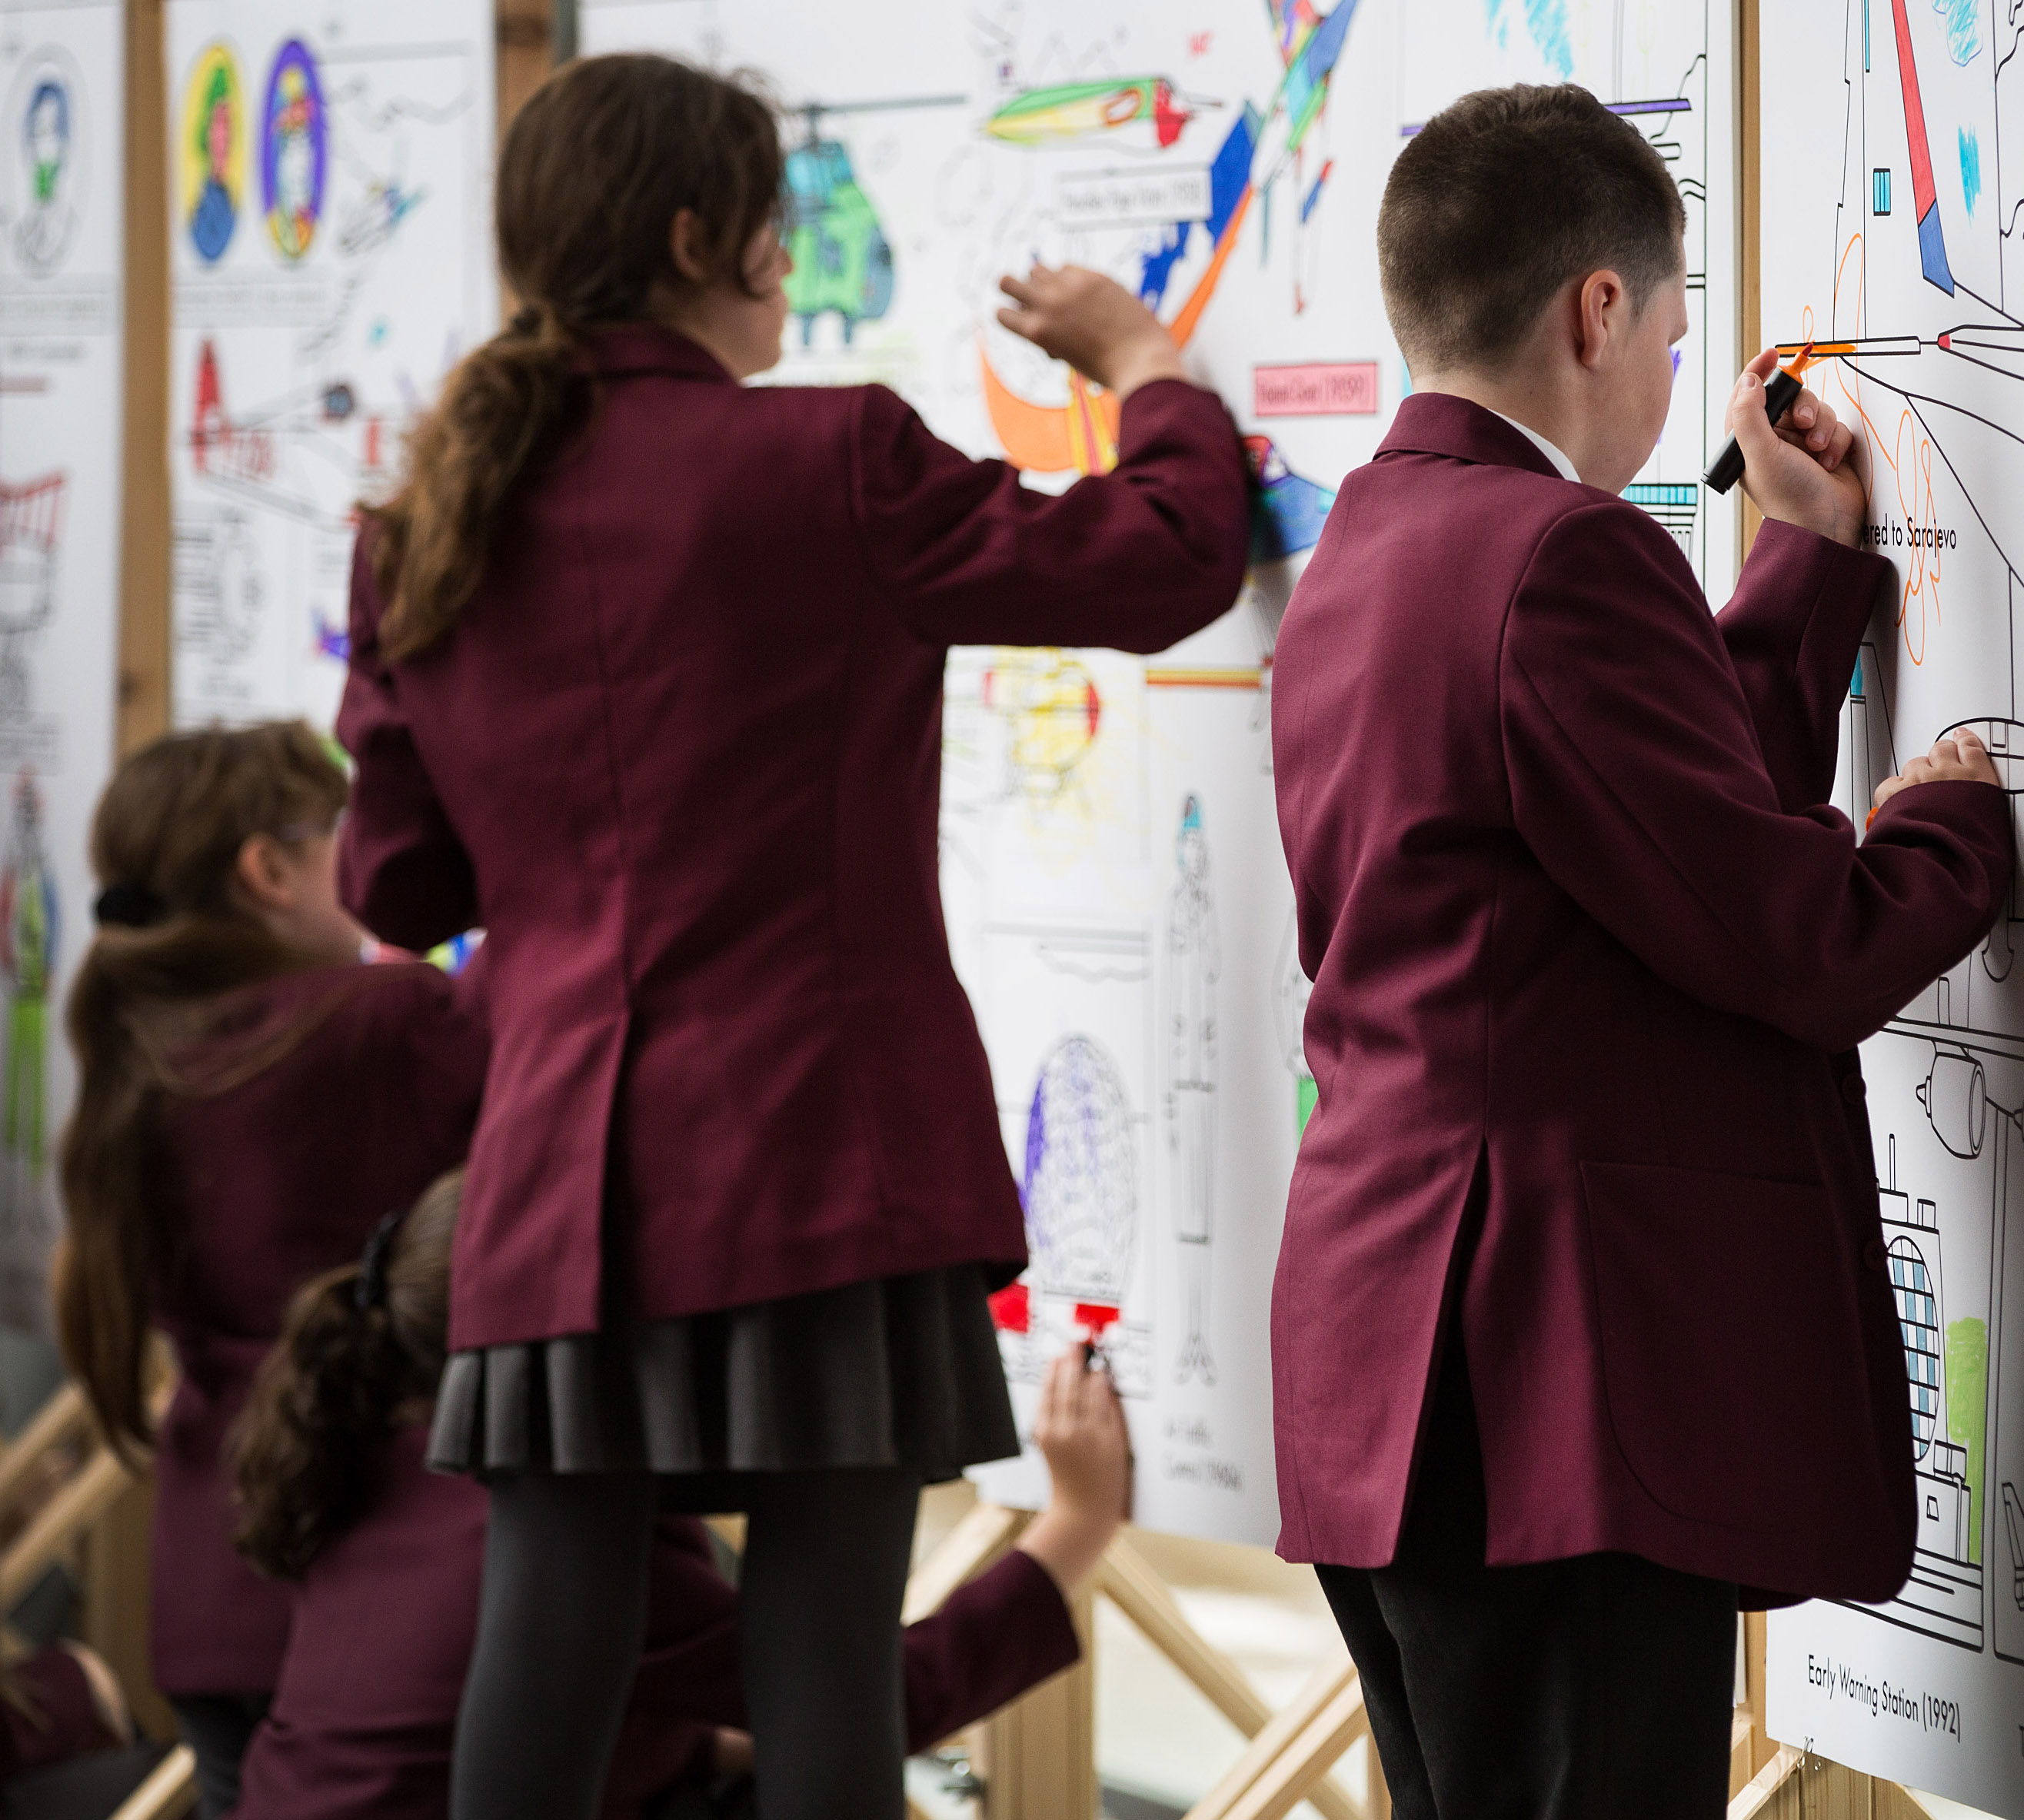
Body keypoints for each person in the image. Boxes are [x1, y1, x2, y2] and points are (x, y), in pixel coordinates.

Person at [331, 53, 1249, 1820]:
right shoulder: (829, 457)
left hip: (559, 1185)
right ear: (698, 237)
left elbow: (399, 887)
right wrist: (1144, 369)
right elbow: (1162, 560)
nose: (789, 269)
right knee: (823, 1658)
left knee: (547, 1640)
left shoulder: (421, 529)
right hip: (819, 1159)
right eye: (776, 231)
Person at [1267, 85, 2014, 1817]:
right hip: (1542, 1385)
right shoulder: (1557, 555)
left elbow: (1632, 835)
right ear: (1596, 308)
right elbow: (1788, 934)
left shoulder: (1370, 544)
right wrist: (1947, 825)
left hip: (1398, 1368)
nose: (1681, 378)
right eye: (1675, 335)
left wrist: (1800, 574)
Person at [225, 1171, 1127, 1820]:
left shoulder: (380, 1462)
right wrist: (1075, 1526)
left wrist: (716, 1742)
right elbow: (877, 1696)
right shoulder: (560, 1530)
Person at [52, 725, 486, 1817]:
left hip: (210, 1589)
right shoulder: (385, 1023)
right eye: (343, 829)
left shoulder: (133, 1059)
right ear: (270, 867)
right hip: (388, 1576)